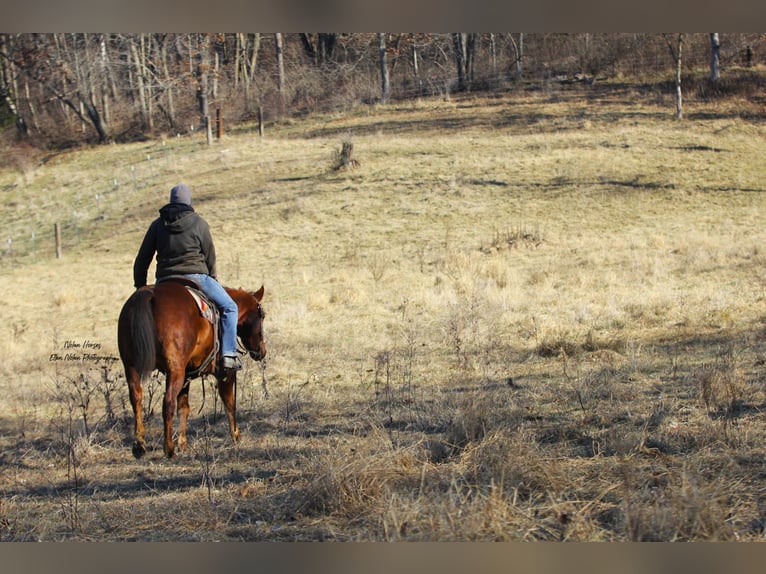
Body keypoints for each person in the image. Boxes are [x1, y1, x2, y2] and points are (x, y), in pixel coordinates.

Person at [133, 183, 242, 370]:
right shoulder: (199, 223)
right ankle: (228, 354)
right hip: (196, 277)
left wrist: (140, 285)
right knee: (230, 307)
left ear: (170, 201)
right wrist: (212, 274)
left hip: (164, 281)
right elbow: (209, 253)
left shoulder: (157, 225)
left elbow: (143, 258)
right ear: (188, 201)